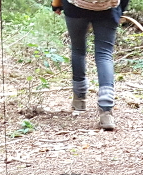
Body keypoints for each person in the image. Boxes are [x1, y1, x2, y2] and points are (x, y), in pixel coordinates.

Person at [52, 0, 127, 131]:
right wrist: (121, 9)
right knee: (104, 54)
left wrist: (56, 4)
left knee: (78, 50)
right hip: (108, 8)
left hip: (76, 7)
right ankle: (106, 110)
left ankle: (79, 100)